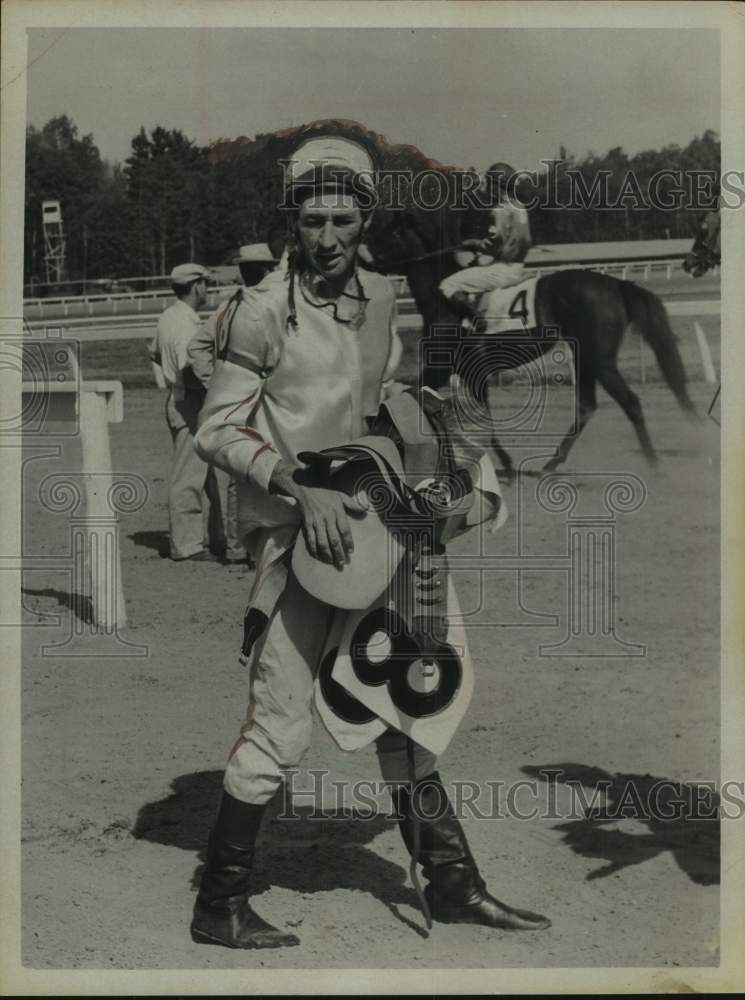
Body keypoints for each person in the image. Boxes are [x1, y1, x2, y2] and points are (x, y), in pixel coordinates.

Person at [191, 133, 550, 950]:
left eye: (342, 219)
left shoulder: (383, 294)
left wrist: (430, 427)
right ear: (292, 217)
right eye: (311, 219)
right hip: (295, 540)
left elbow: (381, 387)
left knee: (404, 704)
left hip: (375, 528)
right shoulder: (256, 310)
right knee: (281, 727)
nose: (325, 238)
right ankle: (219, 903)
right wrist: (294, 485)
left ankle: (453, 886)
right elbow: (216, 429)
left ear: (367, 218)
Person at [187, 244, 282, 564]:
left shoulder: (229, 305)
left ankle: (238, 542)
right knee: (267, 463)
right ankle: (260, 542)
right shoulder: (270, 304)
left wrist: (214, 382)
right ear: (268, 270)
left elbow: (197, 344)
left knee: (239, 470)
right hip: (264, 398)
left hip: (236, 397)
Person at [149, 262, 225, 562]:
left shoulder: (168, 317)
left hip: (179, 397)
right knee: (189, 477)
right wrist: (214, 388)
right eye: (206, 284)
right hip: (190, 401)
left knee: (208, 476)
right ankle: (187, 545)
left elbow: (153, 352)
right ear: (196, 286)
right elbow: (190, 367)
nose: (207, 289)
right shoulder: (184, 324)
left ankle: (216, 539)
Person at [439, 161, 533, 324]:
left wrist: (476, 244)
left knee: (447, 284)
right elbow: (524, 240)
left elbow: (497, 241)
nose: (486, 187)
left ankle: (478, 324)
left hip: (503, 269)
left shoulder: (501, 209)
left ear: (498, 185)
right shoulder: (520, 206)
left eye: (489, 183)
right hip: (519, 266)